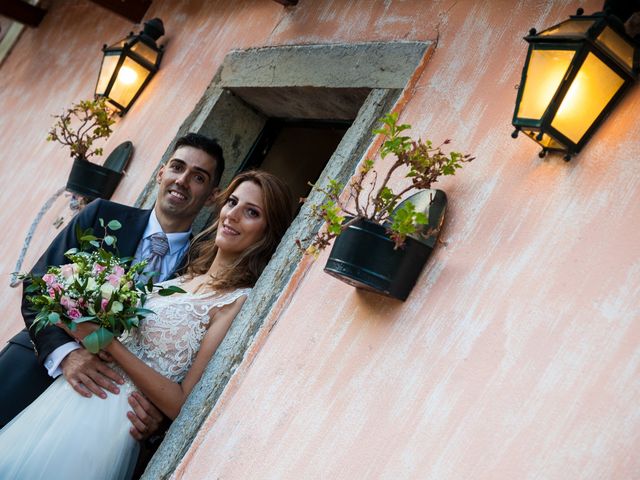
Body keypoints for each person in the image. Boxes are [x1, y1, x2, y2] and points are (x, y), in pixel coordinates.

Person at [0, 170, 294, 480]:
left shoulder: (236, 302)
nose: (232, 215)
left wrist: (107, 343)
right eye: (232, 202)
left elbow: (182, 402)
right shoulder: (186, 276)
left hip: (110, 420)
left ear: (267, 231)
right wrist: (78, 316)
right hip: (69, 394)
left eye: (251, 212)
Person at [0, 132, 224, 439]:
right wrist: (66, 354)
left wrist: (158, 422)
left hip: (106, 411)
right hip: (34, 367)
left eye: (198, 177)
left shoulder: (203, 272)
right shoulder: (102, 216)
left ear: (212, 195)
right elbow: (39, 284)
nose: (182, 180)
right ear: (161, 172)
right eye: (177, 167)